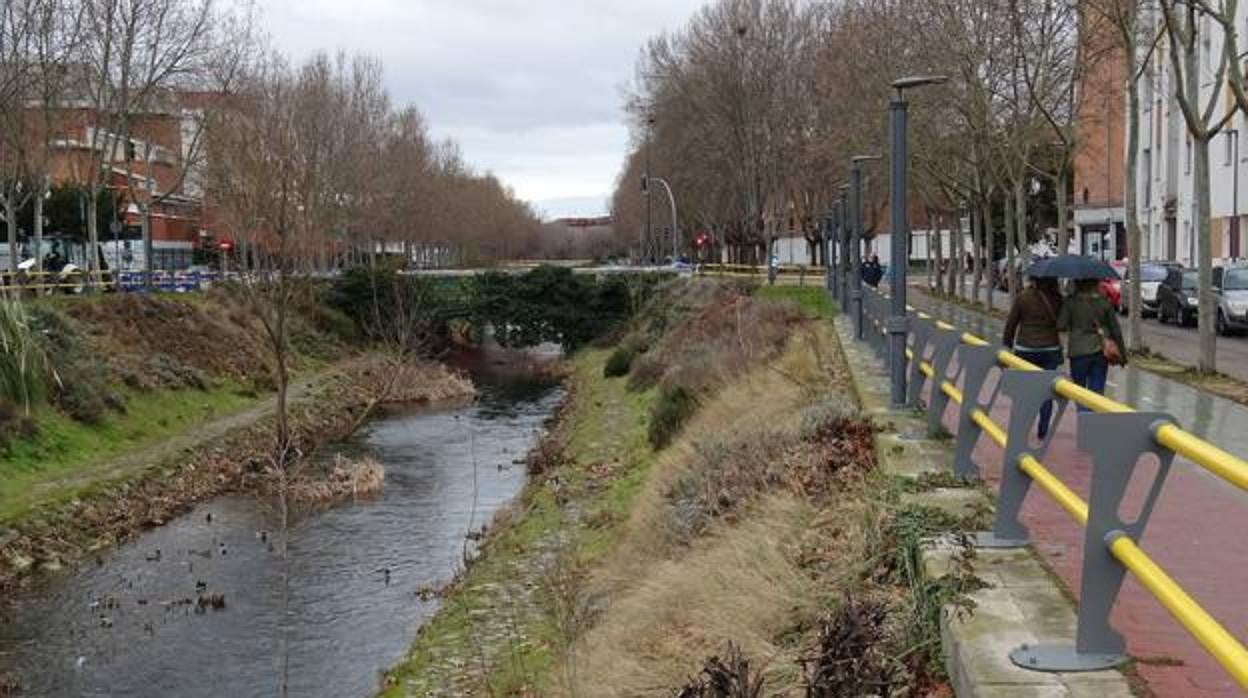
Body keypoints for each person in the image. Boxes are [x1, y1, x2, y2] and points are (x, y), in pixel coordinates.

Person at [1003, 276, 1063, 438]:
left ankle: (1021, 425)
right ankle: (1043, 429)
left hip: (1025, 349)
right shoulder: (1057, 298)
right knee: (1047, 390)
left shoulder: (1023, 297)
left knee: (1025, 390)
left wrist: (1007, 343)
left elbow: (1011, 323)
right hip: (1050, 349)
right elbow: (1063, 324)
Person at [1058, 278, 1127, 411]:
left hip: (1078, 351)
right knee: (1097, 391)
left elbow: (1061, 325)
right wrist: (1122, 355)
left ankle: (1084, 417)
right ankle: (1093, 421)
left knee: (1079, 392)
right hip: (1100, 351)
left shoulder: (1071, 302)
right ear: (1096, 283)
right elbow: (1116, 330)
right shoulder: (1104, 302)